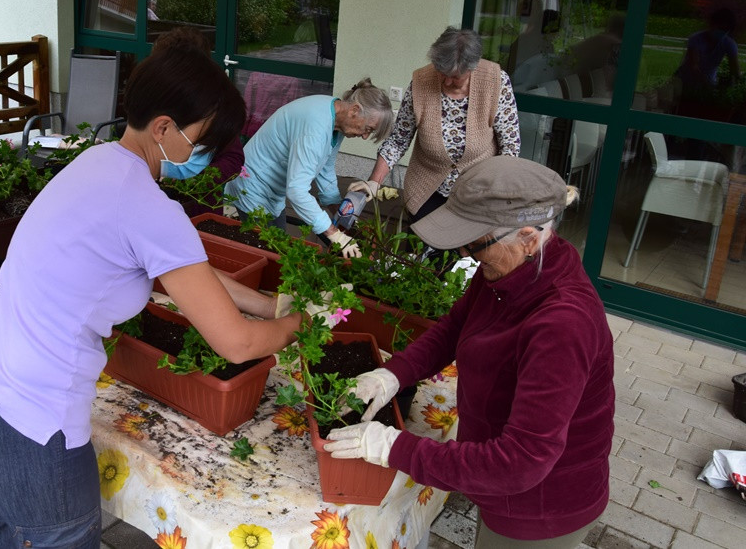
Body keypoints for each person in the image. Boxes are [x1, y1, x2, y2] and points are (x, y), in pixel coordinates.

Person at [0, 43, 303, 548]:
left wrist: (271, 307)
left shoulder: (98, 162)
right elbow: (238, 345)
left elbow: (184, 272)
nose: (202, 156)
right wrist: (301, 325)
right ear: (163, 128)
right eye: (200, 140)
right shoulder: (147, 206)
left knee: (8, 538)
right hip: (34, 432)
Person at [325, 156, 614, 549]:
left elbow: (521, 463)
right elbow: (454, 327)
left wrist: (395, 447)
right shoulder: (508, 266)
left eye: (474, 242)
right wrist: (393, 374)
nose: (465, 251)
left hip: (540, 507)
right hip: (499, 484)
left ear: (529, 237)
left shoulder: (563, 324)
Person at [349, 27, 520, 226]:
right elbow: (398, 140)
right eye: (442, 73)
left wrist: (498, 193)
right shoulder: (420, 82)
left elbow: (510, 145)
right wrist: (374, 182)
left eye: (455, 76)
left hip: (478, 192)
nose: (447, 81)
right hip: (425, 189)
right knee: (422, 251)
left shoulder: (496, 81)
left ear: (473, 68)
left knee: (465, 255)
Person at [224, 78, 394, 257]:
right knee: (266, 253)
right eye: (367, 128)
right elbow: (297, 191)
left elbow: (325, 169)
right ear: (355, 110)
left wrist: (343, 212)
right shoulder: (315, 129)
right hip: (254, 185)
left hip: (273, 189)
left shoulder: (336, 117)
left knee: (276, 247)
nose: (365, 136)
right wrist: (334, 234)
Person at [153, 26, 245, 218]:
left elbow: (234, 159)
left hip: (199, 211)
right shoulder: (154, 96)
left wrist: (192, 181)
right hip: (155, 205)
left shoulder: (214, 106)